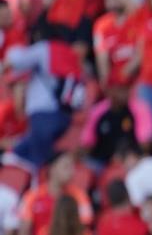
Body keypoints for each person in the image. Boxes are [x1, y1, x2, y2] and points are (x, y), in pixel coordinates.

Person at [0, 35, 87, 169]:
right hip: (64, 117)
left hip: (43, 114)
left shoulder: (44, 48)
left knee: (37, 162)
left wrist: (8, 59)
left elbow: (16, 60)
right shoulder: (70, 54)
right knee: (25, 155)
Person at [16, 152, 94, 235]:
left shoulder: (80, 196)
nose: (71, 171)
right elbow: (24, 231)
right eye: (66, 167)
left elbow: (85, 227)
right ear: (52, 169)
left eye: (72, 167)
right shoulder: (32, 196)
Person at [81, 85, 152, 168]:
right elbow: (87, 144)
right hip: (100, 160)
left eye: (126, 89)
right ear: (110, 91)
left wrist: (132, 155)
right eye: (120, 89)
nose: (124, 93)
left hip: (128, 159)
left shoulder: (138, 109)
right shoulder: (98, 112)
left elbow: (145, 144)